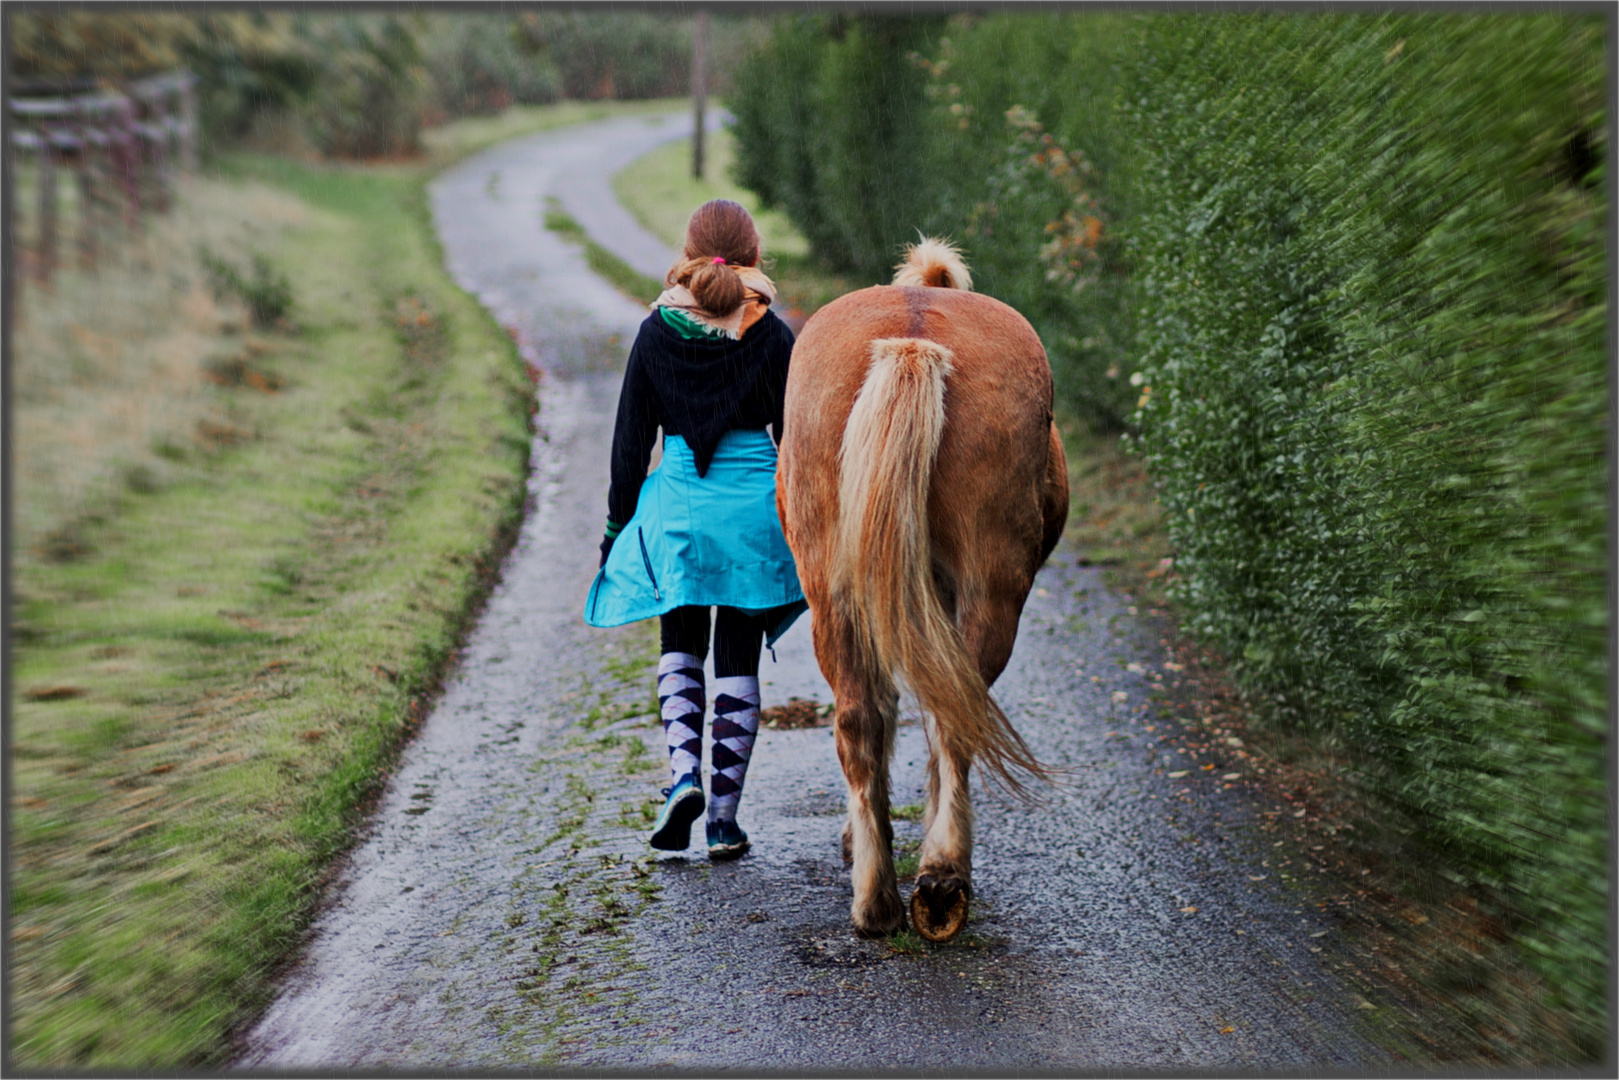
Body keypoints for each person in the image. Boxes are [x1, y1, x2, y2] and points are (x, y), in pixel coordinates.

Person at [584, 199, 806, 861]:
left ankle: (682, 776)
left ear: (689, 251)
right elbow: (795, 441)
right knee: (737, 655)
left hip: (678, 507)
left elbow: (630, 447)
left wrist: (615, 531)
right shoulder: (773, 332)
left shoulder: (656, 330)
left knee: (680, 644)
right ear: (754, 254)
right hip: (751, 510)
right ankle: (722, 820)